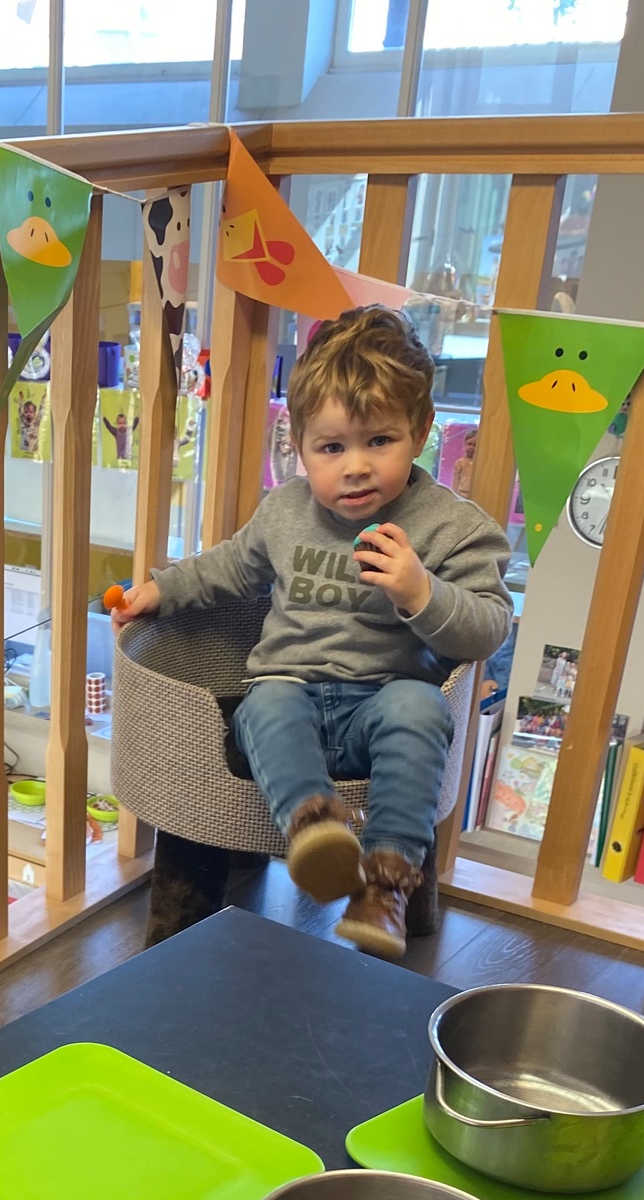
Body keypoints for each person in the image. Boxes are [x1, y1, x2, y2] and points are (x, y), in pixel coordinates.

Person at [113, 306, 512, 958]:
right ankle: (315, 831)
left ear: (420, 431)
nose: (355, 466)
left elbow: (489, 626)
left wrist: (421, 591)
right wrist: (162, 589)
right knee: (262, 703)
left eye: (379, 441)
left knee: (420, 709)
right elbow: (229, 567)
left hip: (380, 706)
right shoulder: (286, 511)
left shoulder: (452, 526)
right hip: (287, 698)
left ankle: (384, 889)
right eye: (332, 448)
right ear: (298, 447)